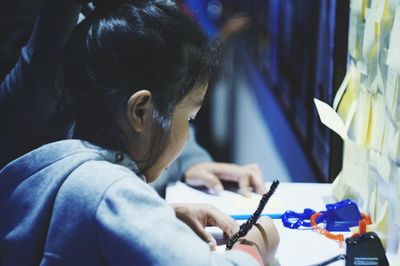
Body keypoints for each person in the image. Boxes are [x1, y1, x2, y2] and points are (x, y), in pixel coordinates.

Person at [0, 0, 279, 265]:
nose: (189, 129)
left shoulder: (63, 167)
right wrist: (254, 247)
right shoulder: (111, 190)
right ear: (140, 112)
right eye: (190, 118)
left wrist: (161, 217)